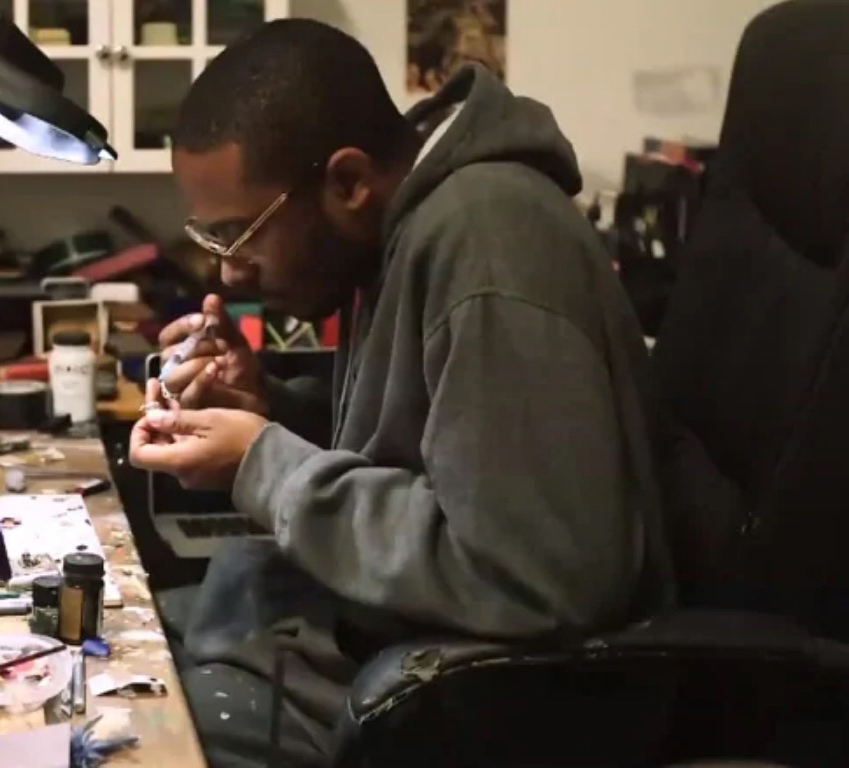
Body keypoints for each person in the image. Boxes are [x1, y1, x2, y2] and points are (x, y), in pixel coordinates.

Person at [129, 18, 674, 768]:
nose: (228, 272)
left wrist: (263, 463)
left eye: (240, 235)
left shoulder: (488, 245)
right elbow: (431, 446)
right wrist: (267, 407)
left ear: (349, 182)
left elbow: (532, 575)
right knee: (130, 644)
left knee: (130, 735)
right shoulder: (400, 228)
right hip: (407, 643)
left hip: (499, 699)